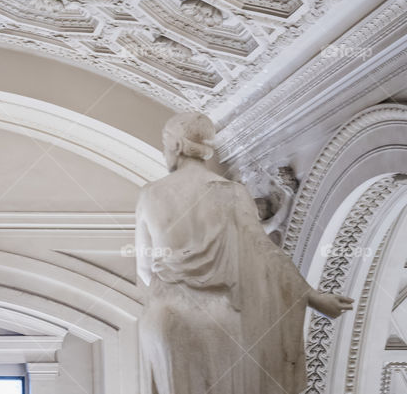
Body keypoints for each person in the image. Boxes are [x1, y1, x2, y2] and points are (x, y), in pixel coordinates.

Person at [136, 112, 353, 394]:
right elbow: (264, 251)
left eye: (165, 144)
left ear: (177, 145)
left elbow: (144, 269)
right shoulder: (231, 192)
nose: (165, 152)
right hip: (221, 319)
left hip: (165, 316)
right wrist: (313, 298)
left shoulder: (150, 194)